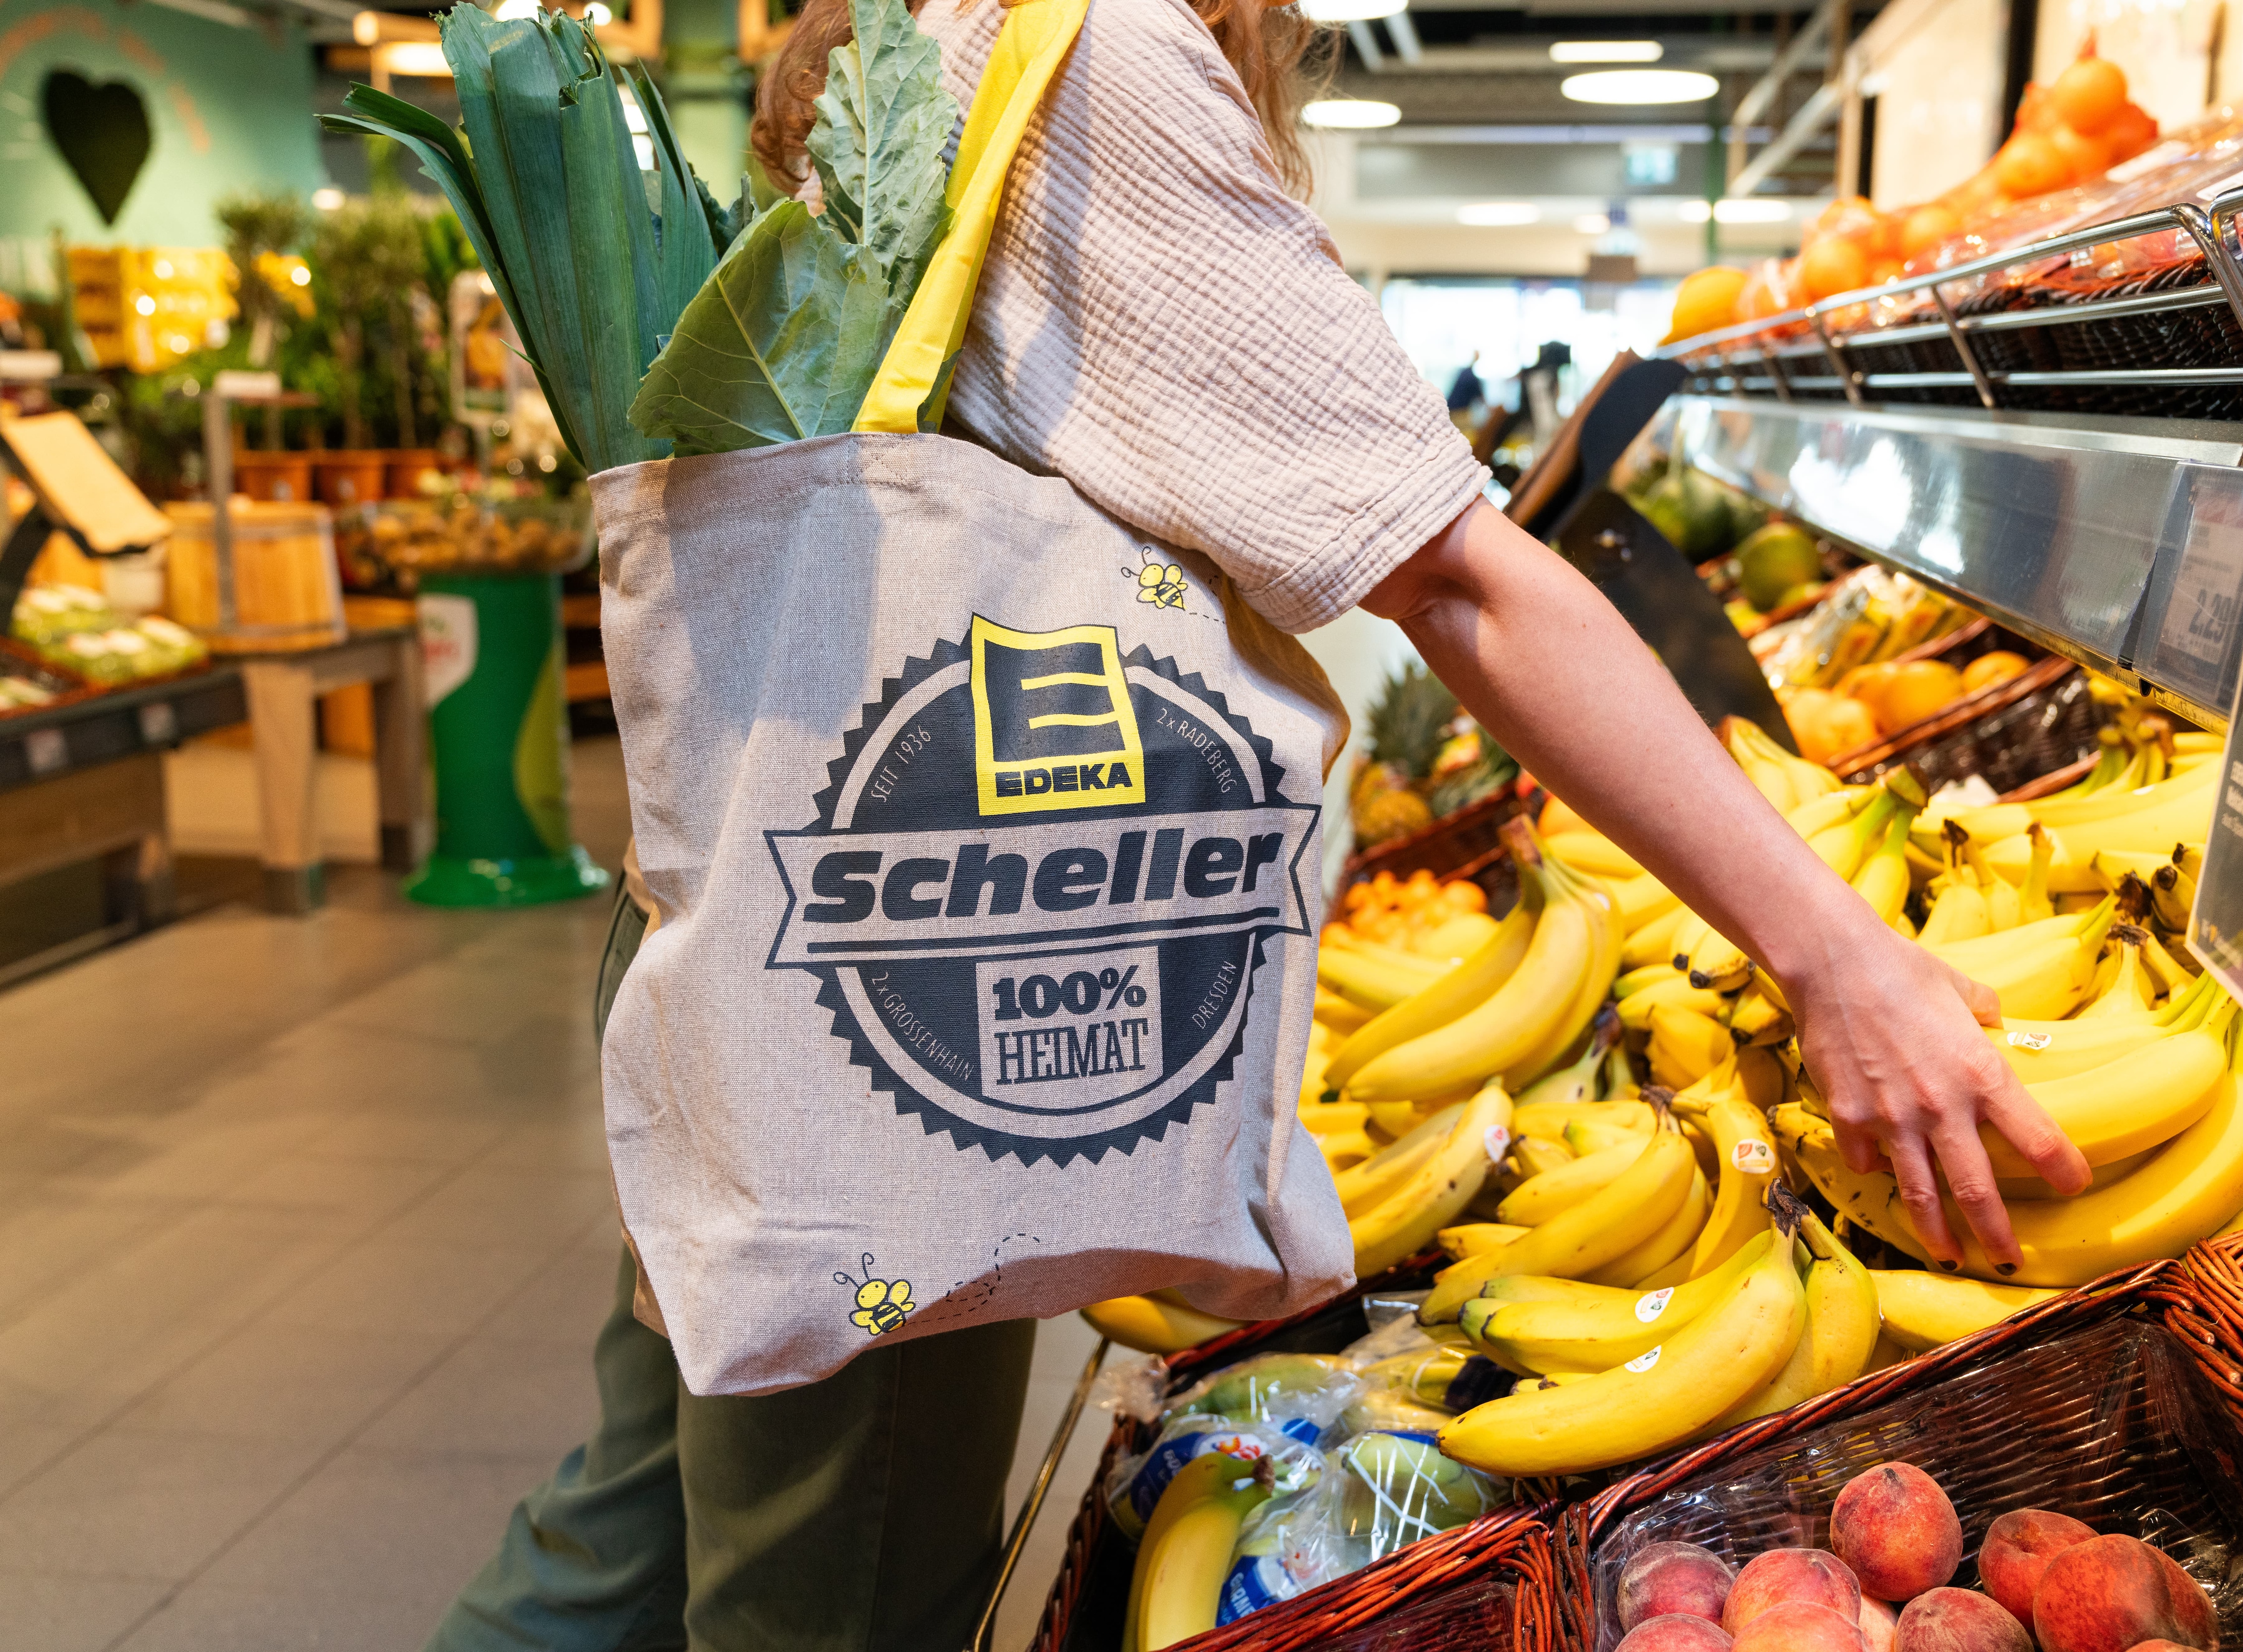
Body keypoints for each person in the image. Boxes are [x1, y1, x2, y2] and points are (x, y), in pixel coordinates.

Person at [428, 0, 2088, 1644]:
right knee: (834, 1605)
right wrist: (1834, 954)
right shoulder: (1086, 57)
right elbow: (1454, 578)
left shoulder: (939, 31)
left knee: (628, 1531)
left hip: (761, 922)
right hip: (898, 979)